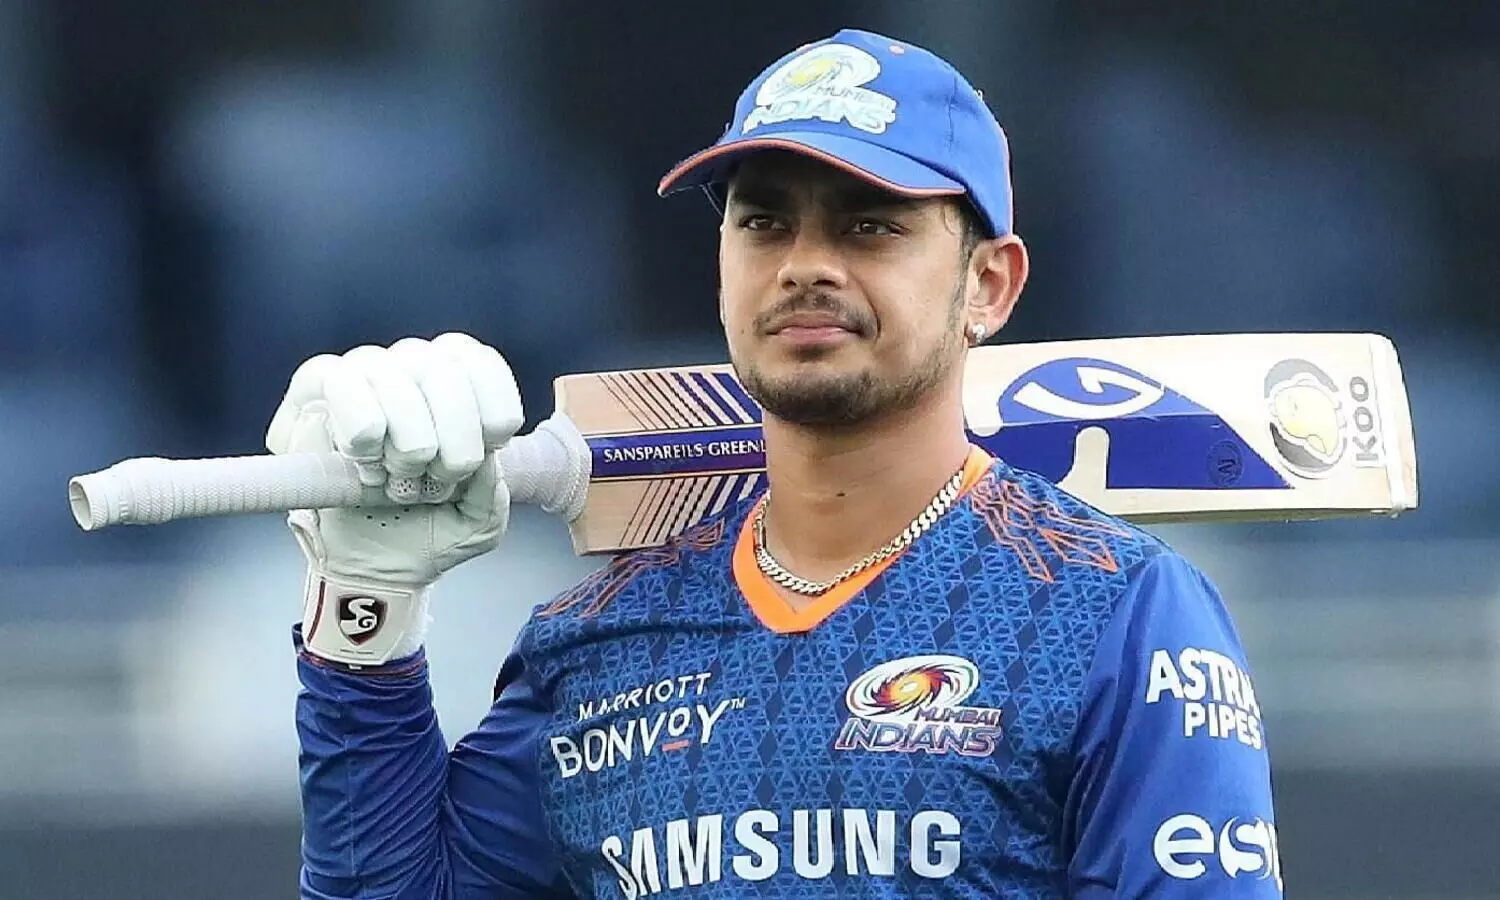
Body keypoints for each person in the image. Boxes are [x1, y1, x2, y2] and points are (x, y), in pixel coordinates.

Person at [276, 28, 1282, 899]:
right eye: (764, 222)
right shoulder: (598, 640)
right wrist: (363, 611)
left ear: (988, 284)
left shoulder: (1115, 611)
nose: (805, 263)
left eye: (869, 224)